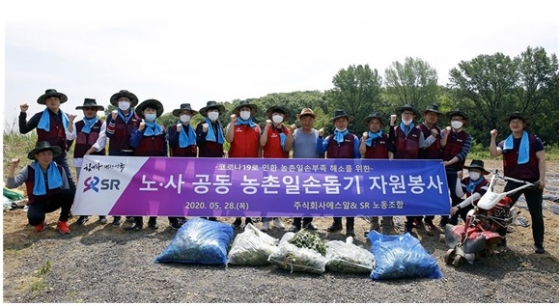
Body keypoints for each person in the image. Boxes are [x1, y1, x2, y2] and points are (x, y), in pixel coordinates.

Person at [489, 111, 546, 254]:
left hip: (532, 183)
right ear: (509, 125)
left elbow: (542, 160)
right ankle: (501, 238)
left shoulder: (534, 141)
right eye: (512, 122)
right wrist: (493, 138)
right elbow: (494, 154)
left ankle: (538, 243)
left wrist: (542, 179)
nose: (515, 124)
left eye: (518, 122)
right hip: (513, 181)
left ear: (524, 125)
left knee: (536, 213)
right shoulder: (505, 142)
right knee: (501, 210)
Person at [6, 142, 75, 234]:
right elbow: (11, 185)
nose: (46, 157)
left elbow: (65, 189)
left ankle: (62, 222)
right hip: (37, 203)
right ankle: (40, 221)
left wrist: (67, 209)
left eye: (49, 154)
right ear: (36, 156)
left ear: (52, 155)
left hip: (53, 201)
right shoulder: (29, 170)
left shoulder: (59, 169)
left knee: (68, 193)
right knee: (34, 219)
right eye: (43, 154)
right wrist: (12, 168)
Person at [19, 89, 76, 192]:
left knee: (69, 184)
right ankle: (38, 205)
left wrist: (66, 148)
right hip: (43, 155)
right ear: (45, 102)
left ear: (60, 102)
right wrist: (23, 113)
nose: (52, 101)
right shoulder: (39, 117)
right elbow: (23, 130)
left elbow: (71, 136)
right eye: (49, 99)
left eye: (55, 99)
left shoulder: (67, 118)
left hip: (60, 155)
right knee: (41, 182)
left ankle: (67, 207)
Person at [317, 109, 360, 237]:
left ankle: (350, 226)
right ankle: (337, 223)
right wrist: (319, 137)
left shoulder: (353, 138)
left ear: (347, 122)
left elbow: (357, 156)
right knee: (335, 198)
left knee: (349, 200)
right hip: (333, 175)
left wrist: (356, 173)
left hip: (348, 175)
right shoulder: (329, 138)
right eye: (338, 121)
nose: (341, 123)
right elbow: (320, 149)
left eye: (343, 120)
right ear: (334, 123)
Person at [128, 99, 168, 230]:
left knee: (155, 193)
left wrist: (165, 163)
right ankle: (138, 221)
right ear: (143, 113)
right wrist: (139, 131)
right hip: (141, 165)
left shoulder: (161, 129)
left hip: (157, 166)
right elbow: (133, 143)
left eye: (153, 111)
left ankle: (153, 220)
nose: (150, 113)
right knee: (138, 193)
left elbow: (164, 148)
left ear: (156, 113)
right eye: (148, 111)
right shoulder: (137, 127)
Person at [66, 98, 108, 225]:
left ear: (96, 110)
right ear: (83, 110)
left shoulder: (102, 123)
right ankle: (84, 214)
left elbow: (101, 141)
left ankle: (101, 213)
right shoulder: (77, 124)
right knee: (83, 187)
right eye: (87, 108)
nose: (90, 111)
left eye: (92, 109)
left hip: (97, 159)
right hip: (80, 160)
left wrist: (89, 152)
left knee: (99, 185)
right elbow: (69, 136)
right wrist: (70, 122)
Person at [105, 89, 141, 227]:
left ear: (131, 103)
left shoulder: (137, 118)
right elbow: (109, 134)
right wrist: (113, 120)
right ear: (117, 103)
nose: (124, 102)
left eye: (126, 100)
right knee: (116, 184)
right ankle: (116, 215)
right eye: (121, 100)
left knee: (130, 185)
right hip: (116, 153)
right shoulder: (111, 116)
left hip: (132, 154)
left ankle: (130, 213)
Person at [226, 100, 261, 229]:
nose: (245, 112)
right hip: (236, 164)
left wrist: (259, 161)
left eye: (247, 109)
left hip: (252, 164)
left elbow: (258, 146)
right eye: (243, 110)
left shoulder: (256, 127)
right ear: (239, 112)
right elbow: (229, 139)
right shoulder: (234, 126)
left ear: (251, 112)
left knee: (249, 190)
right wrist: (231, 123)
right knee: (237, 191)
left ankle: (249, 217)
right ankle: (237, 217)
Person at [359, 111, 395, 235]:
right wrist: (363, 140)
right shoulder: (365, 137)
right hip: (369, 173)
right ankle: (374, 222)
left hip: (384, 173)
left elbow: (390, 152)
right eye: (372, 123)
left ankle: (386, 224)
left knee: (386, 197)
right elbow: (362, 152)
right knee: (371, 198)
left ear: (380, 125)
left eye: (377, 123)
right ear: (368, 125)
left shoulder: (385, 137)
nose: (374, 125)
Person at [259, 105, 293, 232]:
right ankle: (265, 220)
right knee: (267, 192)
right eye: (275, 114)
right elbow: (262, 143)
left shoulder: (287, 131)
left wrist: (291, 134)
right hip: (268, 166)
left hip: (282, 167)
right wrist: (267, 127)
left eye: (280, 114)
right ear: (271, 117)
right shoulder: (268, 129)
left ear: (284, 117)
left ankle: (276, 218)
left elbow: (288, 148)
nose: (277, 116)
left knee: (279, 193)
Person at [389, 104, 422, 233]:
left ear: (413, 116)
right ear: (401, 116)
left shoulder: (418, 132)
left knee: (411, 196)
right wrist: (391, 125)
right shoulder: (395, 129)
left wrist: (420, 169)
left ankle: (409, 223)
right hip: (396, 169)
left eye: (409, 113)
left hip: (412, 170)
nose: (407, 115)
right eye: (404, 113)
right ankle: (389, 220)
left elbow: (422, 151)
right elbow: (390, 145)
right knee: (393, 194)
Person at [288, 108, 322, 232]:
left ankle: (308, 222)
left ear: (313, 121)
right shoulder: (295, 133)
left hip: (313, 172)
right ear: (300, 120)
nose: (307, 122)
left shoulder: (318, 134)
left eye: (309, 119)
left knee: (310, 197)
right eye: (304, 119)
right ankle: (296, 222)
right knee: (298, 197)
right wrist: (289, 133)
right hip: (298, 171)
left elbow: (321, 152)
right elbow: (287, 147)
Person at [167, 103, 198, 228]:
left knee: (184, 191)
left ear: (190, 116)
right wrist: (177, 133)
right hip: (176, 164)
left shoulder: (193, 130)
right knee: (175, 190)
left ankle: (181, 215)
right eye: (183, 113)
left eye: (188, 113)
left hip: (189, 165)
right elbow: (172, 143)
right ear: (179, 115)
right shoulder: (173, 128)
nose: (185, 115)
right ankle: (173, 219)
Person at [440, 109, 472, 227]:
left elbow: (462, 154)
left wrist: (449, 163)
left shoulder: (467, 137)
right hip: (441, 170)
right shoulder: (444, 132)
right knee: (442, 195)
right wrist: (446, 135)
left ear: (463, 121)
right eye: (454, 119)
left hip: (455, 170)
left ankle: (453, 218)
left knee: (456, 195)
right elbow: (440, 145)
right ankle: (443, 218)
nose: (456, 121)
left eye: (458, 119)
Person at [196, 101, 227, 222]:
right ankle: (203, 214)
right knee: (204, 187)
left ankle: (213, 213)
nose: (213, 113)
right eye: (211, 111)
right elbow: (199, 143)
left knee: (214, 187)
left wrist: (223, 152)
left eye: (215, 111)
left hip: (217, 161)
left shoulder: (219, 126)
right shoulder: (202, 125)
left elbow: (220, 142)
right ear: (206, 113)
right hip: (204, 162)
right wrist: (203, 133)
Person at [417, 104, 444, 231]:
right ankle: (417, 218)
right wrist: (432, 137)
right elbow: (420, 147)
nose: (432, 117)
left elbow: (442, 146)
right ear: (425, 115)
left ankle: (429, 219)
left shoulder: (439, 130)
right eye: (430, 114)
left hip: (435, 167)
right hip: (421, 166)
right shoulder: (418, 129)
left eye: (435, 115)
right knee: (419, 191)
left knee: (432, 192)